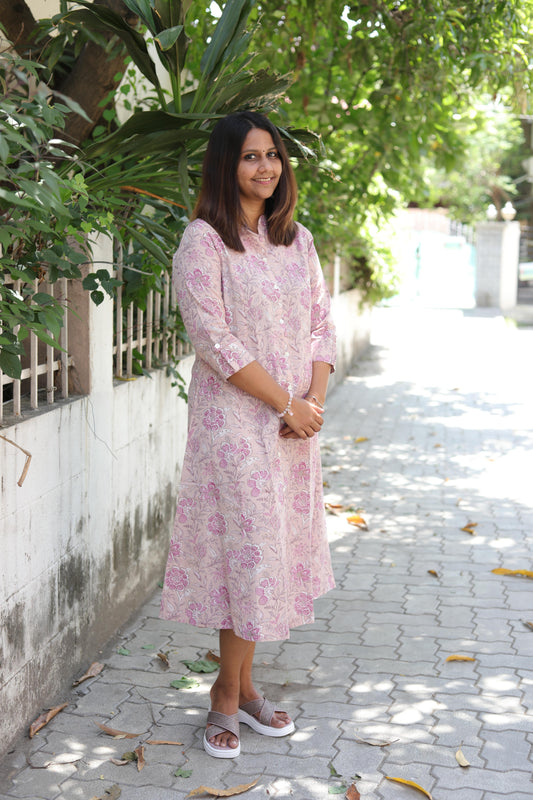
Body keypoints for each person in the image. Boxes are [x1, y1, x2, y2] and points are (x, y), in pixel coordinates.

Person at [160, 111, 336, 758]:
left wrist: (310, 403)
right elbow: (213, 340)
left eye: (272, 156)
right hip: (233, 424)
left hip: (291, 428)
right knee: (250, 554)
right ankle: (225, 701)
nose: (265, 168)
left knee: (266, 559)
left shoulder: (299, 239)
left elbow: (321, 322)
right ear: (224, 165)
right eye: (249, 157)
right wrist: (287, 403)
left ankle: (244, 687)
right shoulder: (202, 243)